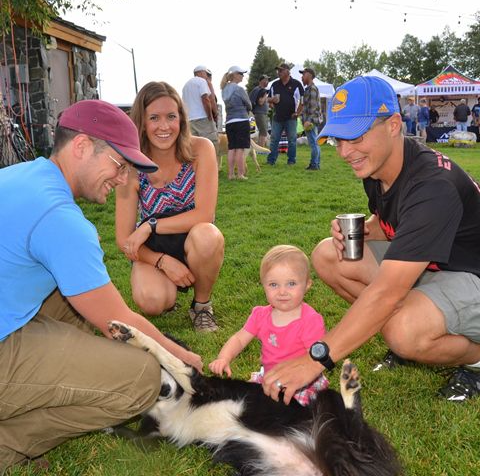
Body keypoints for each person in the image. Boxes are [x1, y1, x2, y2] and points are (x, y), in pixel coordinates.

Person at [262, 76, 480, 405]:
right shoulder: (379, 168)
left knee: (402, 329)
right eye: (338, 139)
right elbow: (390, 222)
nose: (345, 151)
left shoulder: (433, 186)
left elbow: (386, 293)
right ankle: (417, 332)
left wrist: (314, 360)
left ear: (393, 125)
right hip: (440, 268)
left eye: (356, 136)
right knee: (327, 254)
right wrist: (364, 229)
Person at [0, 99, 204, 471]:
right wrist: (183, 360)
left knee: (69, 301)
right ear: (80, 147)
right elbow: (118, 320)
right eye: (119, 165)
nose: (124, 180)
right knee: (142, 378)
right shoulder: (61, 219)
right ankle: (8, 442)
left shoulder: (23, 175)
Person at [115, 82, 224, 332]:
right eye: (154, 118)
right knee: (152, 302)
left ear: (182, 119)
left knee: (209, 235)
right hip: (154, 247)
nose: (164, 126)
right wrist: (161, 261)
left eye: (171, 117)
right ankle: (166, 288)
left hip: (192, 236)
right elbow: (124, 240)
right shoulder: (131, 165)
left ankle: (201, 306)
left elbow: (205, 214)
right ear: (141, 122)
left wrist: (150, 225)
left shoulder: (201, 149)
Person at [209, 245, 328, 406]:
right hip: (269, 377)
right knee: (249, 407)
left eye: (291, 283)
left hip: (302, 381)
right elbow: (239, 339)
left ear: (307, 284)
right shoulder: (260, 315)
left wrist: (294, 379)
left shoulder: (310, 320)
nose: (282, 291)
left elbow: (314, 359)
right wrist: (224, 358)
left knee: (295, 418)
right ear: (263, 285)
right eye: (273, 285)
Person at [266, 63, 304, 166]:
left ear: (287, 71)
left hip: (291, 117)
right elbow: (268, 99)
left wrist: (298, 113)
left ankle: (291, 161)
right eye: (278, 71)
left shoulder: (296, 84)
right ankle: (271, 160)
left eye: (281, 71)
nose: (279, 73)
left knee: (292, 140)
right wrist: (271, 101)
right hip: (277, 117)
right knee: (274, 140)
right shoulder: (274, 84)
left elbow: (302, 100)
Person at [220, 66, 252, 180]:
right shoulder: (239, 89)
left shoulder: (224, 90)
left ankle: (230, 175)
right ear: (235, 75)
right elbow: (249, 104)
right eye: (241, 74)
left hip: (229, 122)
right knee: (240, 149)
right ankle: (240, 174)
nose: (243, 76)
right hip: (241, 120)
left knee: (231, 148)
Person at [181, 65, 219, 156]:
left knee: (194, 147)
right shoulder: (202, 82)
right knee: (211, 145)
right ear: (202, 72)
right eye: (207, 74)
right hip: (202, 118)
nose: (207, 77)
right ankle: (211, 167)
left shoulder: (186, 85)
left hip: (189, 120)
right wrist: (210, 116)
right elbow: (206, 99)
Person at [299, 67, 323, 170]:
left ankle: (314, 165)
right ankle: (316, 164)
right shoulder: (309, 88)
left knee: (314, 143)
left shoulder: (312, 88)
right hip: (312, 120)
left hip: (311, 121)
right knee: (315, 143)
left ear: (309, 75)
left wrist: (308, 120)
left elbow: (313, 107)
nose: (302, 77)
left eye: (303, 75)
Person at [249, 74, 270, 147]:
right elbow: (260, 102)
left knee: (261, 131)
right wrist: (265, 96)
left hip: (256, 113)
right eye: (266, 80)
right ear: (262, 81)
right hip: (260, 113)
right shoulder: (262, 90)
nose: (267, 81)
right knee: (263, 131)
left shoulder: (255, 89)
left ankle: (259, 147)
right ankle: (261, 149)